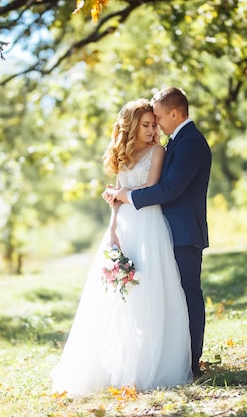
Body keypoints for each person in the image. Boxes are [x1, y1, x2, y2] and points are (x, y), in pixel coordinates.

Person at [50, 99, 192, 395]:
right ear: (131, 126)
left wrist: (119, 192)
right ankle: (116, 365)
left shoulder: (159, 151)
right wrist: (113, 228)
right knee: (118, 294)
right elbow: (116, 201)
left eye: (154, 124)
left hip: (148, 222)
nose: (153, 130)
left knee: (148, 289)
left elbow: (151, 188)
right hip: (124, 224)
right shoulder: (123, 155)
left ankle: (148, 365)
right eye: (146, 125)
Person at [106, 87, 212, 377]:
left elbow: (168, 189)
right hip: (165, 232)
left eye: (160, 118)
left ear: (174, 114)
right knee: (168, 298)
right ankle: (175, 357)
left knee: (188, 296)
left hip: (184, 233)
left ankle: (191, 362)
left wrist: (124, 194)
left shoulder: (191, 143)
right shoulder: (178, 141)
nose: (157, 124)